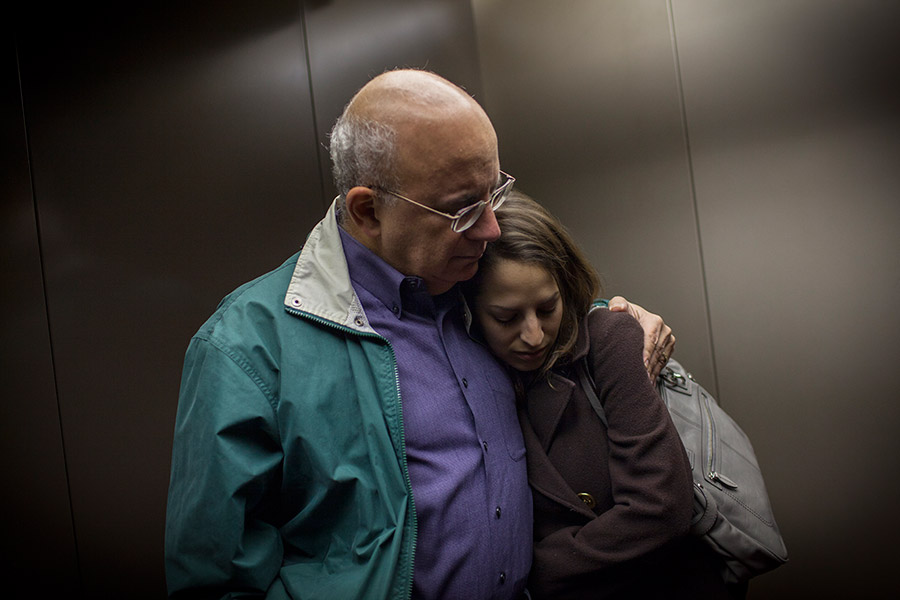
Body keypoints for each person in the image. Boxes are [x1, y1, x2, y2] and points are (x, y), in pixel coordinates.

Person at [165, 69, 675, 599]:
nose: (491, 229)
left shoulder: (464, 282)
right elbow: (217, 579)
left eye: (494, 193)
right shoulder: (247, 347)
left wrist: (608, 320)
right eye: (462, 210)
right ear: (368, 211)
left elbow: (533, 310)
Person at [465, 191, 737, 599]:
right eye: (506, 317)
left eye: (547, 307)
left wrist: (527, 572)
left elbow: (660, 508)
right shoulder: (474, 378)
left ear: (566, 285)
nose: (534, 335)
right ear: (470, 309)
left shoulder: (609, 339)